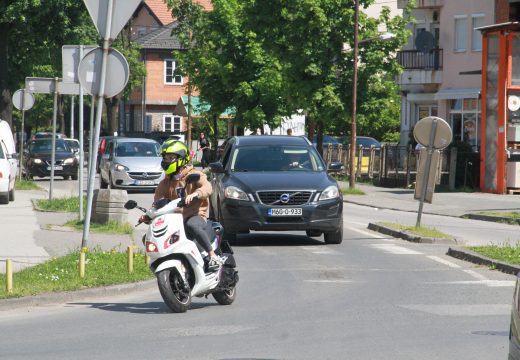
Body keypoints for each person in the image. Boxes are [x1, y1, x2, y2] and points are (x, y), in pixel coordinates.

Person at [140, 139, 222, 271]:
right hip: (174, 221)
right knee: (149, 236)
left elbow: (207, 188)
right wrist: (147, 215)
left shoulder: (195, 175)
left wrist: (196, 194)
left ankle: (212, 256)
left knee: (193, 225)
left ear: (181, 158)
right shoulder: (165, 183)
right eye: (165, 158)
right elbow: (157, 204)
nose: (167, 161)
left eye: (171, 157)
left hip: (195, 215)